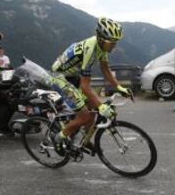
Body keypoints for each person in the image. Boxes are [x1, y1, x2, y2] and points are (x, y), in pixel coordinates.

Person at [51, 17, 131, 153]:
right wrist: (102, 106)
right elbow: (85, 86)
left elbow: (105, 70)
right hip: (60, 78)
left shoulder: (102, 47)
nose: (114, 46)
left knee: (93, 109)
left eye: (115, 42)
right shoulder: (91, 49)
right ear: (101, 39)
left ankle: (85, 139)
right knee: (84, 116)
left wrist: (119, 87)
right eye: (111, 43)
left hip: (72, 76)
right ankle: (57, 139)